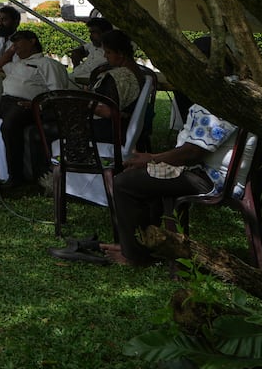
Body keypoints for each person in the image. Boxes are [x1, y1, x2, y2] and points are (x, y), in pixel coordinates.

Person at [100, 100, 243, 266]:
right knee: (142, 180)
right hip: (209, 174)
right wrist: (154, 160)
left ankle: (134, 256)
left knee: (124, 183)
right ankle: (135, 247)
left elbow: (192, 153)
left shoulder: (219, 104)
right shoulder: (226, 98)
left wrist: (152, 159)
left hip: (212, 179)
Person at [0, 29, 70, 186]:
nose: (15, 46)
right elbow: (1, 65)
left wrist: (39, 104)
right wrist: (11, 50)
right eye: (13, 43)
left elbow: (57, 92)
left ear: (32, 41)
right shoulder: (17, 64)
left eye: (19, 42)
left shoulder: (47, 64)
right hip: (4, 100)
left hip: (27, 104)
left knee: (9, 126)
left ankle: (15, 176)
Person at [90, 29, 150, 145]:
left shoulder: (118, 77)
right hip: (125, 127)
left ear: (121, 53)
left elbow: (108, 112)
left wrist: (84, 103)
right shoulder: (136, 71)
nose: (105, 56)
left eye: (108, 52)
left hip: (111, 131)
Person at [68, 16, 114, 87]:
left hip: (85, 83)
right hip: (74, 76)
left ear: (105, 33)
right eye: (90, 33)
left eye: (94, 32)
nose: (91, 36)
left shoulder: (112, 52)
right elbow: (81, 49)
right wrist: (77, 53)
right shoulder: (94, 44)